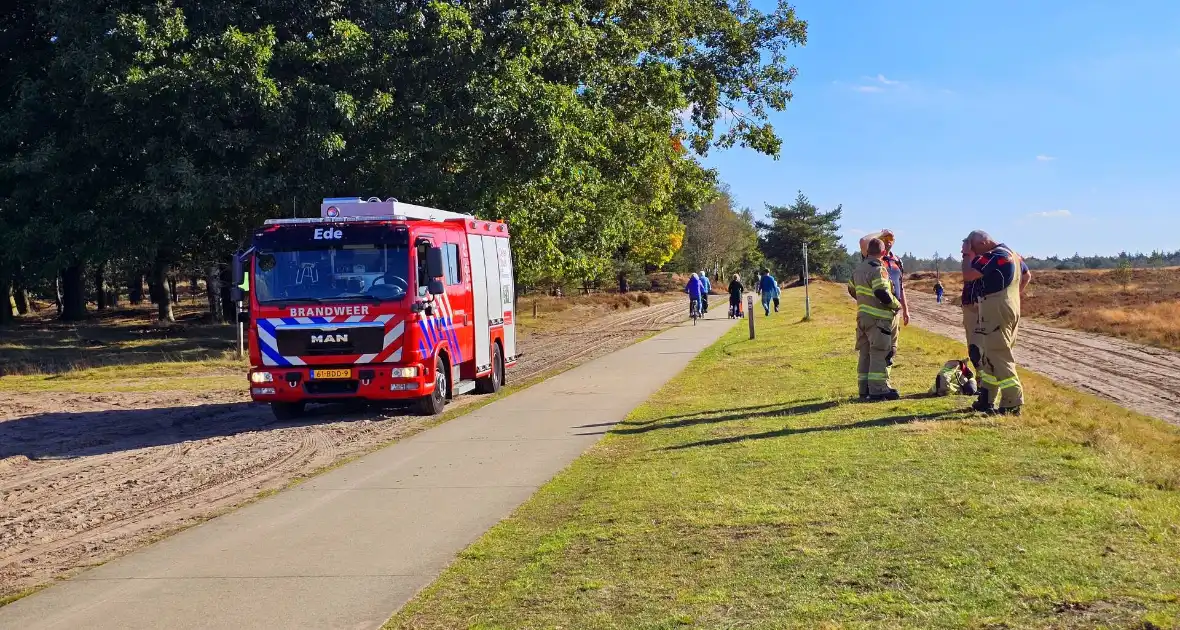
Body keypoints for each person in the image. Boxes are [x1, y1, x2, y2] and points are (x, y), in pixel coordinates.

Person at [962, 230, 1032, 415]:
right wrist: (1013, 296)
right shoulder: (1012, 254)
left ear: (983, 243)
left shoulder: (995, 255)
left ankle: (1012, 401)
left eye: (975, 247)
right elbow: (1026, 276)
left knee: (998, 354)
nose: (976, 252)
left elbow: (968, 274)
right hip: (1009, 306)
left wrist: (967, 255)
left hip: (996, 309)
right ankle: (987, 398)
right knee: (990, 356)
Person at [847, 238, 902, 400]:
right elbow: (881, 292)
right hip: (879, 319)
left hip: (862, 319)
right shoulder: (879, 269)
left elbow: (851, 289)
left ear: (867, 252)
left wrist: (864, 300)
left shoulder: (858, 269)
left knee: (865, 354)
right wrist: (896, 305)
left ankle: (864, 389)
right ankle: (878, 389)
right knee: (880, 352)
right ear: (883, 253)